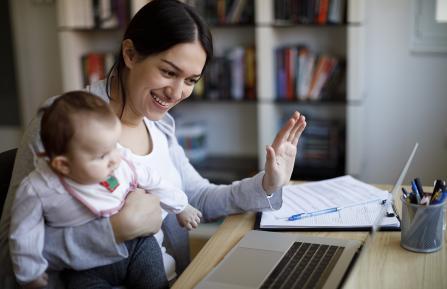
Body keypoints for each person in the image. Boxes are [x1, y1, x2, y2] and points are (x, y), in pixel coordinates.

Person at [0, 0, 307, 288]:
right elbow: (10, 253)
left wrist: (266, 184)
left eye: (190, 80)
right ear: (130, 54)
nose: (176, 93)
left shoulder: (161, 125)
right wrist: (116, 231)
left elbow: (197, 197)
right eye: (168, 72)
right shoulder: (63, 122)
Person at [9, 91, 201, 289]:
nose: (115, 159)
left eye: (114, 147)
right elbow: (24, 233)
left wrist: (181, 206)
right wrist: (30, 274)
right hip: (83, 266)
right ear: (63, 165)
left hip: (136, 245)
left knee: (153, 276)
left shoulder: (119, 160)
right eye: (102, 155)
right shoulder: (39, 188)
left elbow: (154, 180)